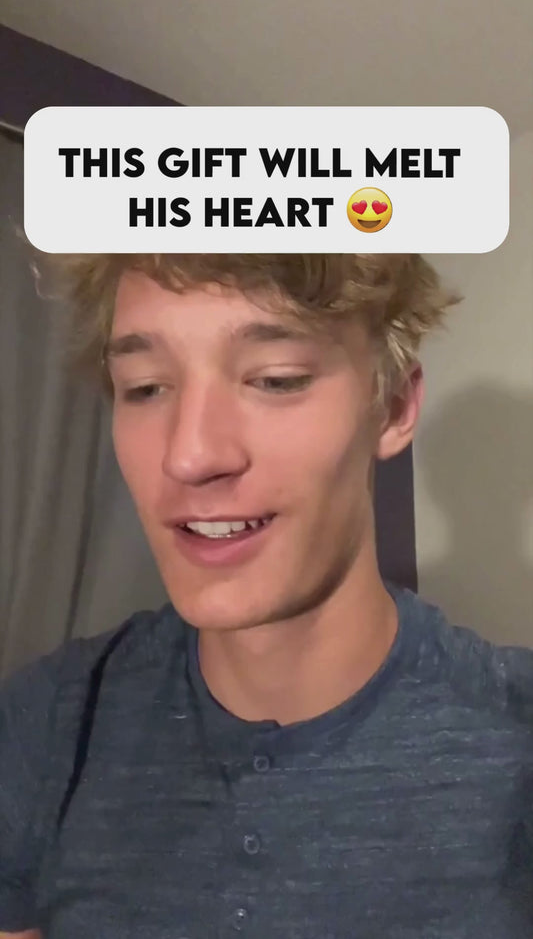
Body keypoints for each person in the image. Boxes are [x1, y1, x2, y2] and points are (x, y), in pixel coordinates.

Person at [1, 253, 532, 939]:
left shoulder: (512, 741)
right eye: (145, 387)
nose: (188, 455)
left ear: (394, 405)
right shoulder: (45, 728)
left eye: (275, 379)